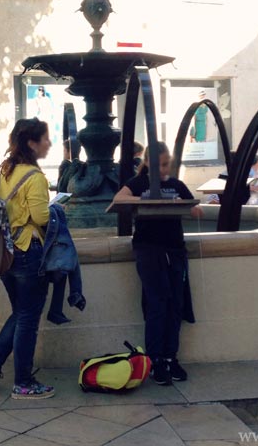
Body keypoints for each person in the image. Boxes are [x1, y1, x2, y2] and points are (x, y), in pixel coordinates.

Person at [113, 141, 203, 385]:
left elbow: (195, 210)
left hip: (174, 249)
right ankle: (155, 360)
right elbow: (119, 199)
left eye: (167, 165)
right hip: (149, 249)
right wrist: (146, 203)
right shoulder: (138, 183)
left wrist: (184, 206)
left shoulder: (176, 185)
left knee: (175, 303)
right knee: (157, 302)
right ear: (148, 163)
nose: (165, 169)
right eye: (161, 165)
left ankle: (170, 356)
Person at [0, 118, 55, 399]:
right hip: (28, 252)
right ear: (32, 143)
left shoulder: (5, 173)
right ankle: (23, 382)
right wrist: (57, 209)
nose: (49, 143)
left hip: (6, 252)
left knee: (20, 313)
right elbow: (40, 217)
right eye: (46, 138)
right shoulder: (34, 177)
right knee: (28, 319)